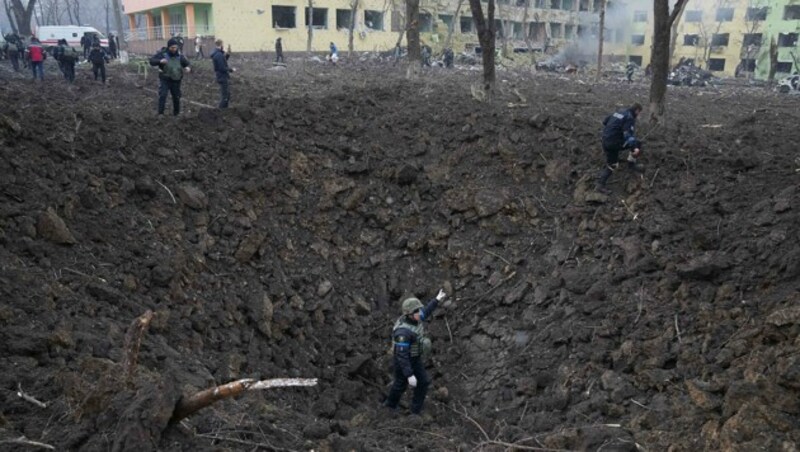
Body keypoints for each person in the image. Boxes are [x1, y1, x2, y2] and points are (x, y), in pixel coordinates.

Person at [383, 289, 447, 415]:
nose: (419, 313)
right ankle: (389, 406)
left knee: (423, 382)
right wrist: (409, 374)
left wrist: (437, 299)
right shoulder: (402, 332)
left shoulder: (414, 318)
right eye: (416, 311)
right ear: (409, 314)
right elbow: (402, 356)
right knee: (400, 384)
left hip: (414, 358)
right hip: (403, 361)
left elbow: (426, 311)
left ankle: (415, 411)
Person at [596, 103, 644, 194]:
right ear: (637, 111)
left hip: (605, 140)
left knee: (612, 162)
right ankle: (600, 185)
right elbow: (628, 136)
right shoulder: (629, 118)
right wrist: (635, 149)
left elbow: (605, 122)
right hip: (613, 143)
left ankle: (601, 183)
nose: (638, 115)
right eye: (639, 113)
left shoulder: (619, 112)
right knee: (636, 143)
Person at [150, 37, 191, 116]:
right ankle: (161, 113)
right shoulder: (162, 54)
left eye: (175, 47)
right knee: (163, 95)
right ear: (169, 47)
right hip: (165, 79)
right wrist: (160, 61)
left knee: (176, 97)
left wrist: (187, 67)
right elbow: (151, 61)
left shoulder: (180, 56)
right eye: (172, 47)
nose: (174, 49)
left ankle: (176, 113)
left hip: (176, 80)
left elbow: (187, 64)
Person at [211, 39, 234, 108]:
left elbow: (223, 60)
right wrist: (231, 69)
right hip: (222, 76)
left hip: (221, 76)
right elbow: (222, 67)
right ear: (221, 45)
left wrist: (228, 54)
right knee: (225, 96)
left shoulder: (218, 54)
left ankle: (225, 110)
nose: (223, 46)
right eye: (222, 44)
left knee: (227, 95)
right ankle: (220, 111)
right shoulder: (218, 55)